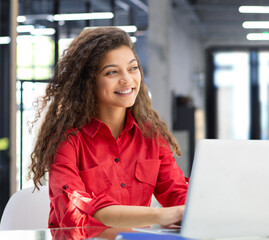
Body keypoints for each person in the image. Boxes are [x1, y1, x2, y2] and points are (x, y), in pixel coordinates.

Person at [29, 27, 188, 228]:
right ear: (88, 82)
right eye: (112, 72)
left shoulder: (150, 135)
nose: (127, 80)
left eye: (133, 68)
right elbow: (74, 210)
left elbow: (177, 192)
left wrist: (190, 211)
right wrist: (157, 216)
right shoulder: (67, 139)